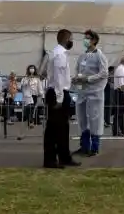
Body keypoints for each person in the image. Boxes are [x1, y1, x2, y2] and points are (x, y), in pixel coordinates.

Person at [42, 29, 79, 169]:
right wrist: (59, 98)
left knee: (62, 127)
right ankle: (51, 160)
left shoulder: (58, 53)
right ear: (65, 39)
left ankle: (64, 157)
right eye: (71, 38)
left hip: (60, 92)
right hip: (58, 92)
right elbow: (58, 78)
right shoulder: (59, 55)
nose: (72, 41)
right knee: (55, 129)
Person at [73, 30, 109, 157]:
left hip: (95, 92)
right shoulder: (82, 56)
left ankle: (95, 147)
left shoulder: (100, 56)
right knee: (82, 118)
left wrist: (88, 79)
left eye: (88, 38)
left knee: (95, 118)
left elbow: (104, 73)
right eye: (85, 38)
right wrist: (77, 79)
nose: (85, 40)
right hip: (82, 92)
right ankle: (84, 146)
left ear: (94, 40)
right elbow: (78, 70)